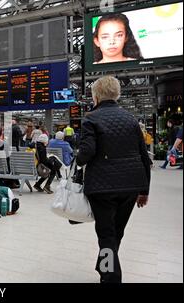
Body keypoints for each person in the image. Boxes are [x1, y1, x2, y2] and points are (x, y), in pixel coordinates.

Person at [76, 76, 151, 283]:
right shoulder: (130, 119)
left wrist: (78, 156)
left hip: (102, 187)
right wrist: (144, 190)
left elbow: (87, 152)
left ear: (96, 95)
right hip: (131, 186)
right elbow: (144, 157)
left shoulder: (91, 118)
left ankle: (110, 277)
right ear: (117, 94)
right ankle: (104, 265)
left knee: (106, 234)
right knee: (116, 231)